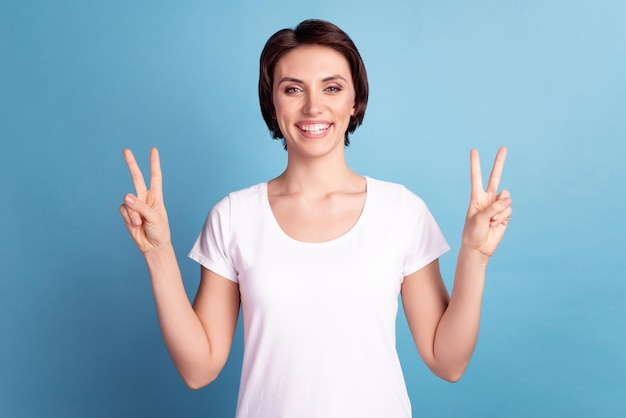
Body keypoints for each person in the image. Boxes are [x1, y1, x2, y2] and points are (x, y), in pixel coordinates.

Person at [119, 19, 512, 418]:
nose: (313, 107)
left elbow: (447, 362)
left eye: (332, 87)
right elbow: (198, 369)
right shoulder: (234, 217)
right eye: (293, 89)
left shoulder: (401, 211)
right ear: (272, 104)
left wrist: (474, 257)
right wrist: (158, 254)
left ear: (354, 100)